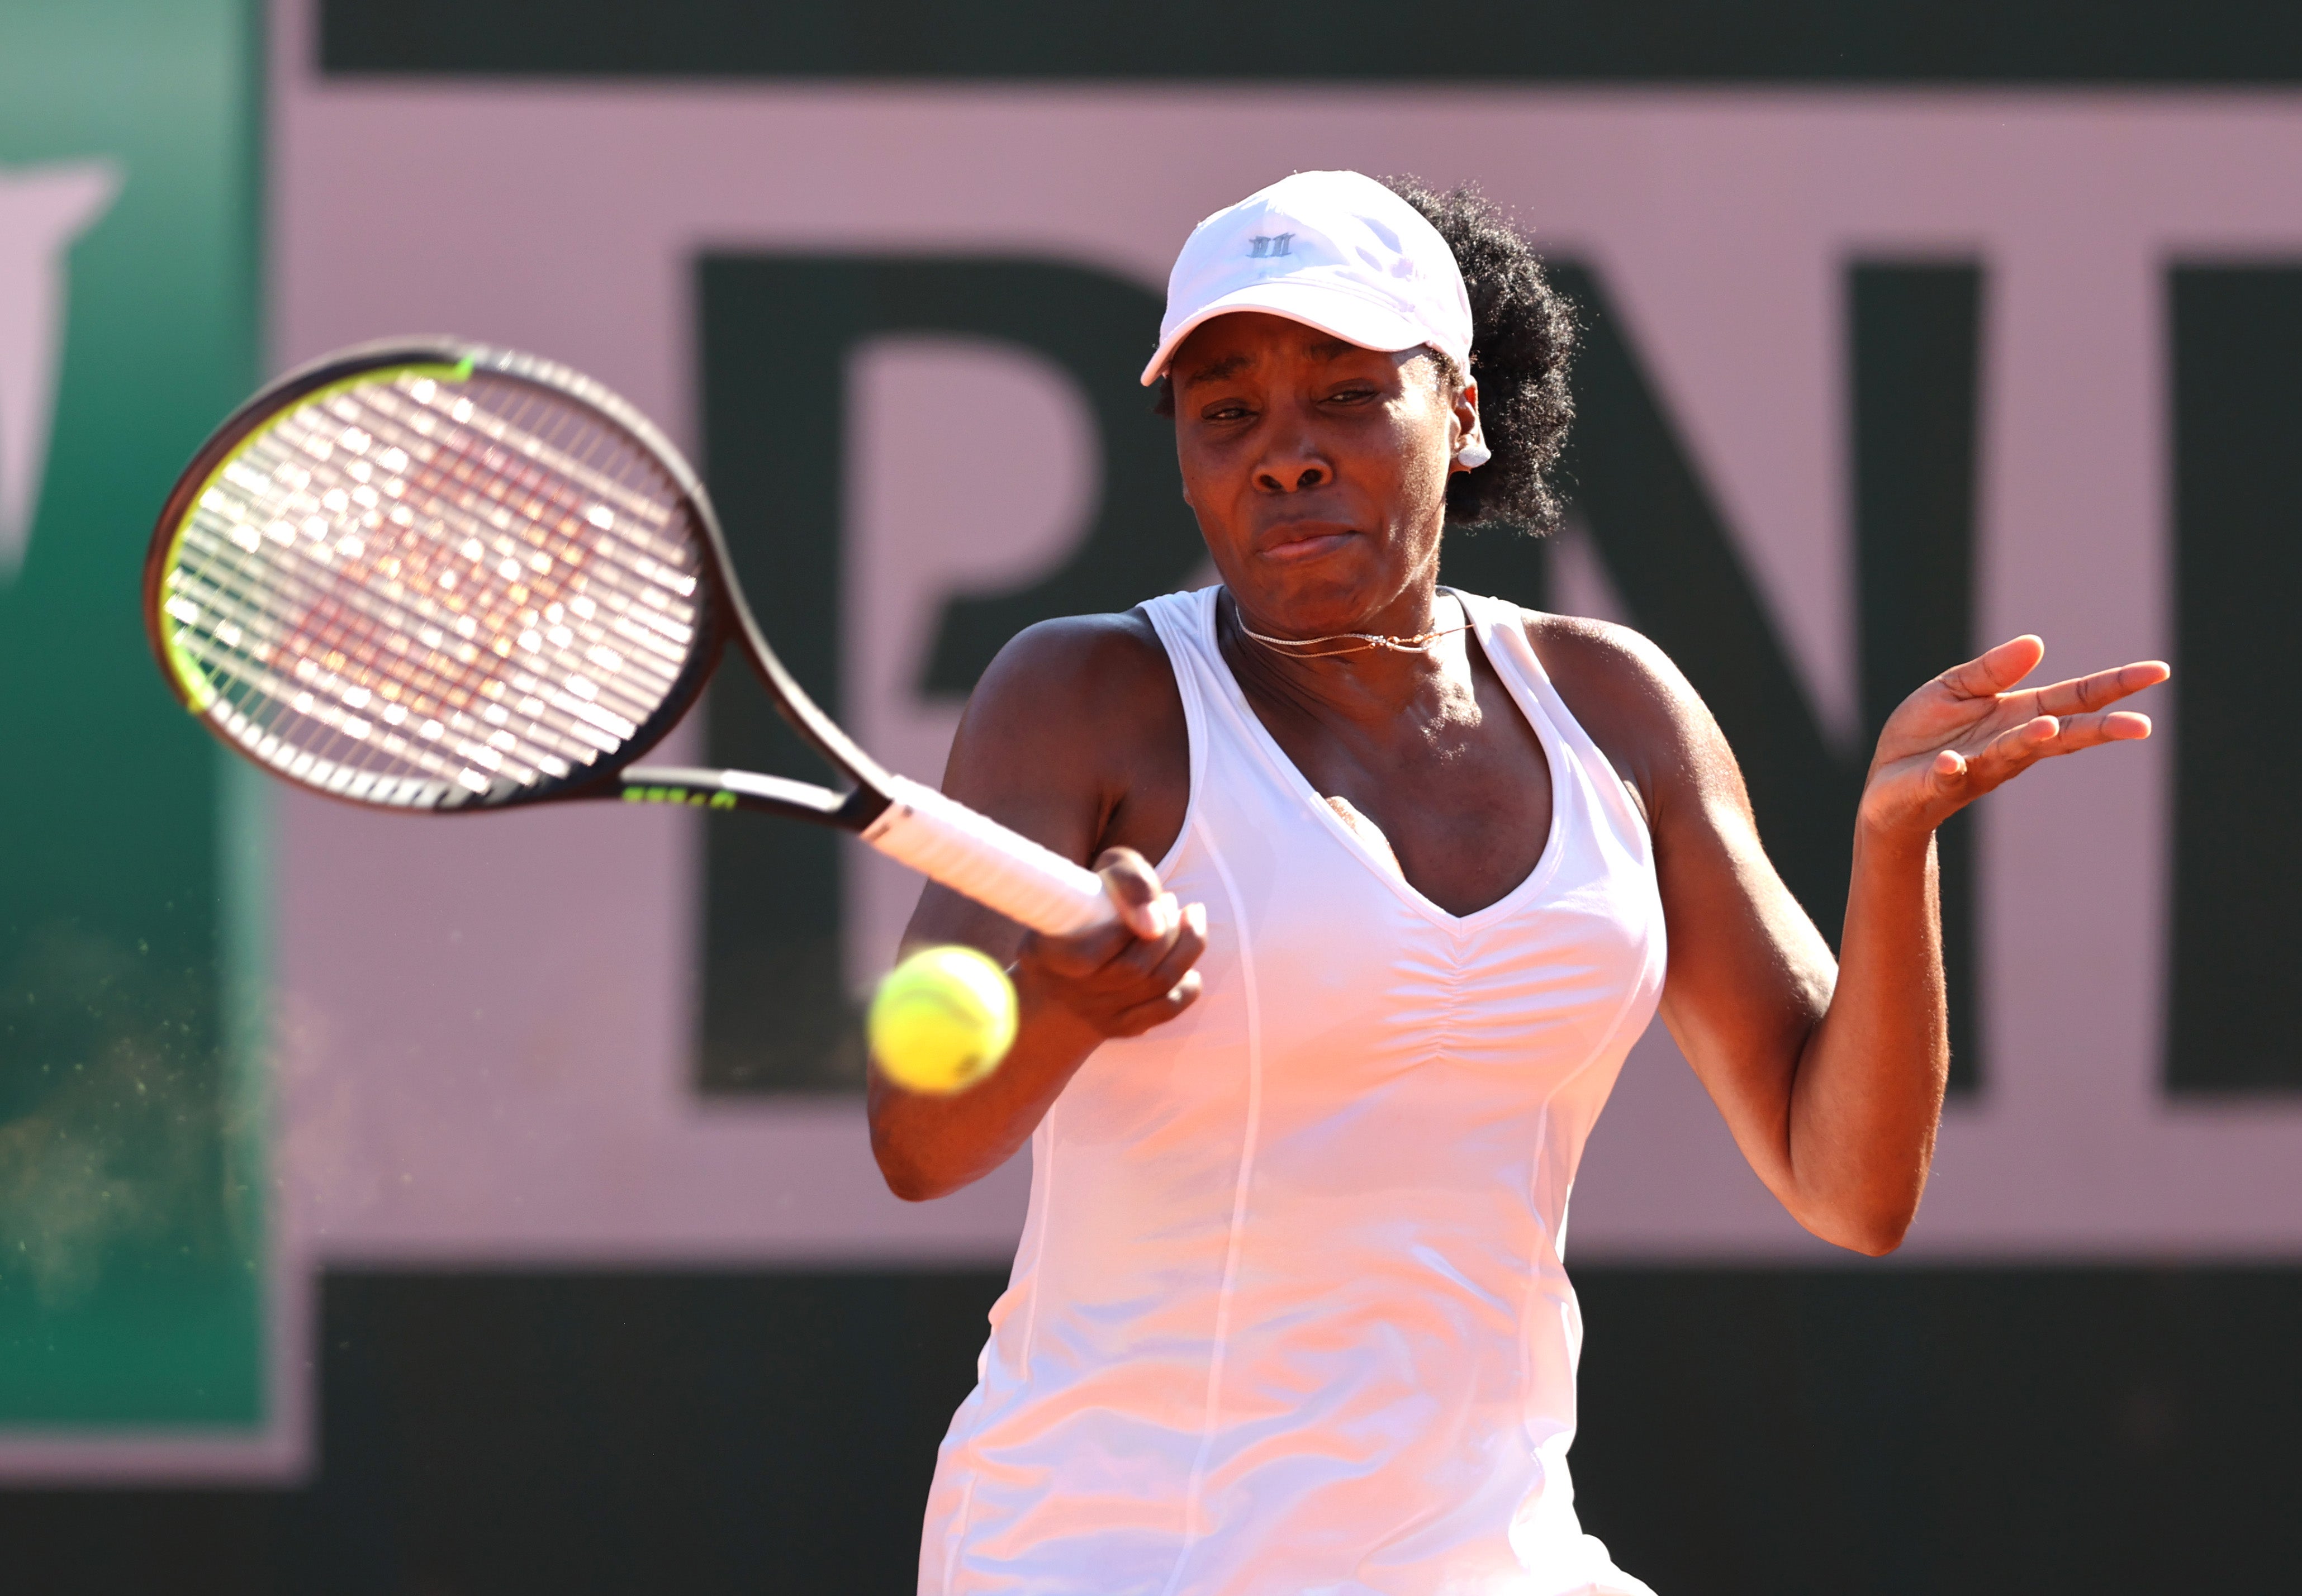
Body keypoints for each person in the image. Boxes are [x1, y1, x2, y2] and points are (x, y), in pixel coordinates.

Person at [868, 170, 2167, 1596]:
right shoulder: (1084, 694)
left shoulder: (1610, 703)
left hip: (1487, 1557)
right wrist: (1061, 1005)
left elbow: (1848, 1183)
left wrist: (1890, 845)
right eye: (1226, 411)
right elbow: (916, 1147)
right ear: (1183, 458)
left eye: (1350, 394)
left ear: (1464, 415)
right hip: (1110, 1560)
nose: (1285, 454)